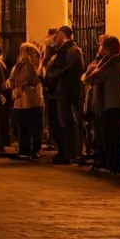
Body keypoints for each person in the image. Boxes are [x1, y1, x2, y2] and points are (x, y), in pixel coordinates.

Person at [83, 36, 120, 173]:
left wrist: (98, 69)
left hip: (113, 104)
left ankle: (114, 163)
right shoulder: (103, 62)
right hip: (102, 104)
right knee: (102, 135)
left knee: (113, 137)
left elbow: (96, 77)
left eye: (101, 45)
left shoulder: (117, 62)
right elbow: (87, 76)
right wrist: (97, 61)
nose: (99, 48)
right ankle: (104, 160)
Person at [44, 26, 84, 164]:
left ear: (64, 35)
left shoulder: (74, 51)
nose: (56, 36)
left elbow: (66, 70)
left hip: (67, 91)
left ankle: (71, 152)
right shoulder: (59, 51)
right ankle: (63, 151)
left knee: (67, 122)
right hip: (58, 91)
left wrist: (52, 75)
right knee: (58, 124)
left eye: (59, 34)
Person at [8, 42, 44, 160]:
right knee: (20, 125)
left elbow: (27, 78)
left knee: (32, 126)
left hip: (30, 99)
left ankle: (33, 150)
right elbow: (13, 78)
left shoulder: (32, 65)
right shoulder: (19, 65)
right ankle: (23, 148)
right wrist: (11, 83)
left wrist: (17, 85)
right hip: (19, 100)